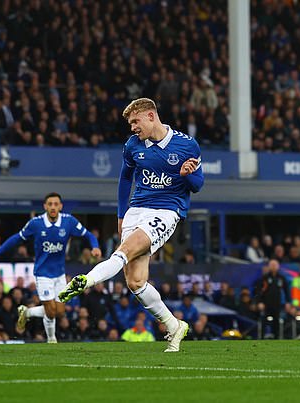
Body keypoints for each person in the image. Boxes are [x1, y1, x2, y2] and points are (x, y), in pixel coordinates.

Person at [59, 97, 204, 352]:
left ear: (150, 116)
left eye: (135, 121)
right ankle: (174, 326)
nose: (132, 127)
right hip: (136, 209)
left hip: (167, 210)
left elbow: (198, 185)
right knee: (136, 282)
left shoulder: (186, 144)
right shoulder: (132, 146)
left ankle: (85, 281)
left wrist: (187, 175)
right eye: (130, 123)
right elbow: (125, 180)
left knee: (123, 253)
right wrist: (121, 215)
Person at [0, 192, 101, 343]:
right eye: (50, 204)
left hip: (59, 274)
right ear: (45, 206)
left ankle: (27, 312)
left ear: (60, 206)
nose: (53, 207)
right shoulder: (36, 224)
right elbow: (17, 238)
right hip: (42, 273)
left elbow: (88, 235)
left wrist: (95, 247)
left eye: (56, 204)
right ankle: (51, 340)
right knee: (50, 311)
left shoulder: (68, 221)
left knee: (60, 311)